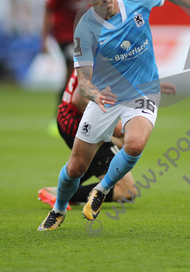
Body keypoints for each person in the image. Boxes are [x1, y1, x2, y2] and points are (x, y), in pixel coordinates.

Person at [38, 0, 190, 231]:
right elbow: (82, 80)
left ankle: (101, 189)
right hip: (105, 99)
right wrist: (95, 95)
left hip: (142, 93)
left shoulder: (137, 1)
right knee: (76, 167)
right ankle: (58, 209)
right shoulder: (85, 30)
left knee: (134, 144)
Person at [37, 69, 176, 209]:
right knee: (127, 191)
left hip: (70, 117)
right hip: (77, 123)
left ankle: (68, 188)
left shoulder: (101, 52)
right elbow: (79, 99)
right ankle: (59, 194)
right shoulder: (101, 56)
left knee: (125, 143)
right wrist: (114, 126)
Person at [42, 0, 90, 102]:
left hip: (83, 35)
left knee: (77, 75)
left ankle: (71, 112)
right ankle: (61, 113)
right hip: (64, 35)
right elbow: (48, 11)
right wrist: (43, 39)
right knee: (72, 71)